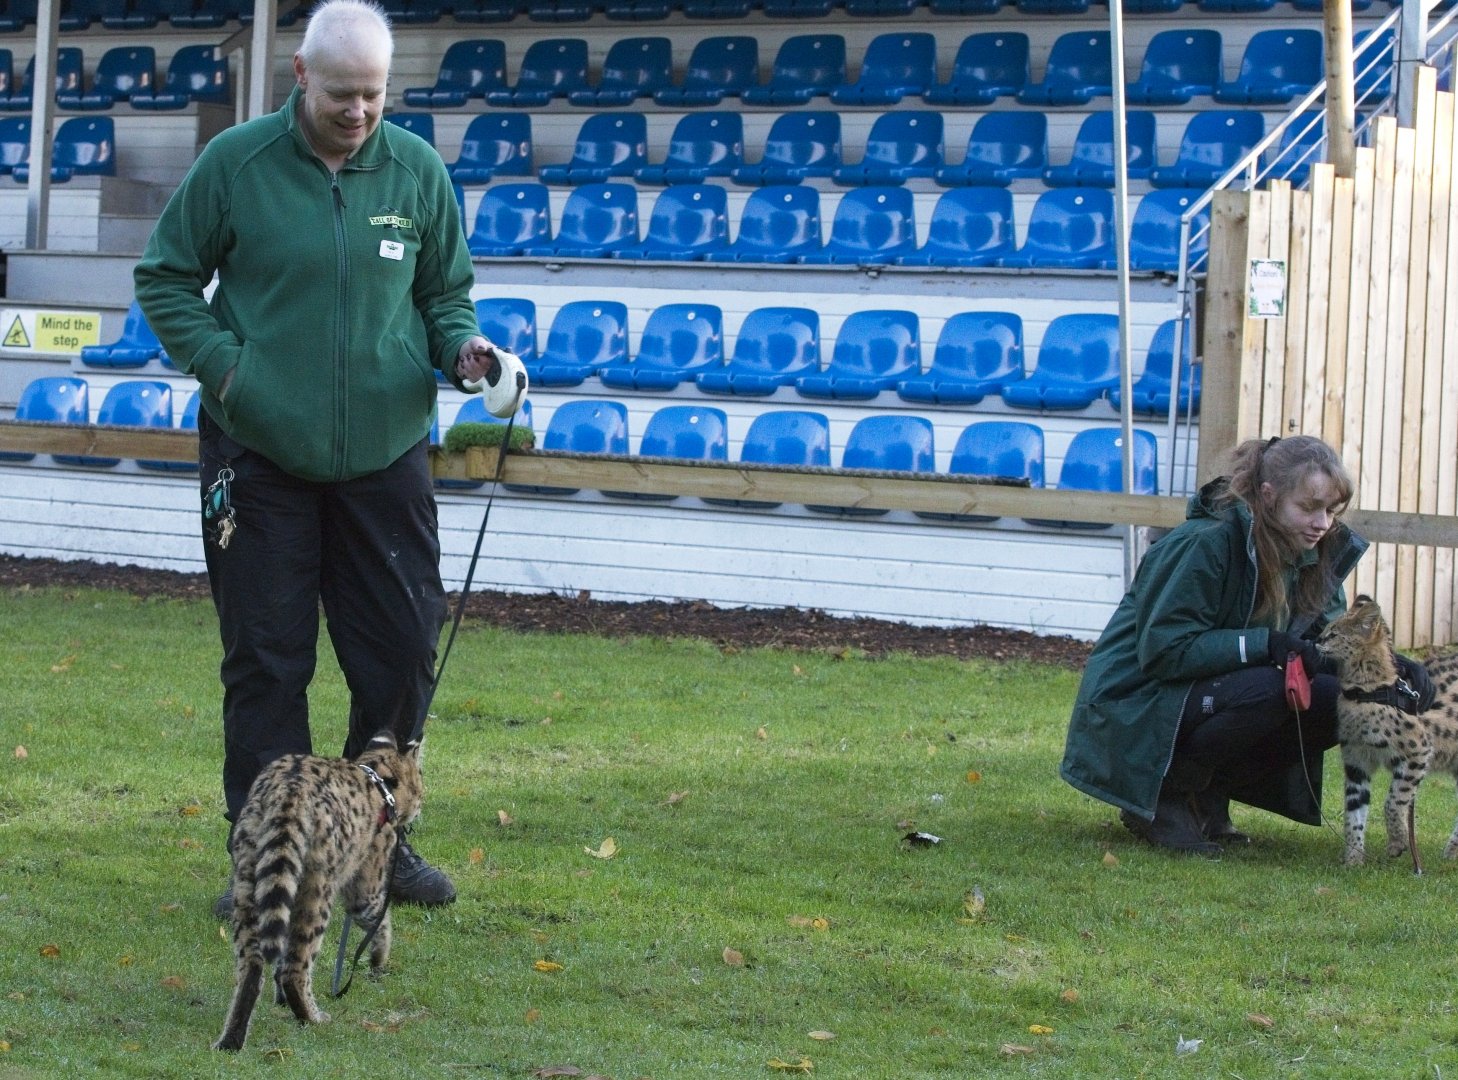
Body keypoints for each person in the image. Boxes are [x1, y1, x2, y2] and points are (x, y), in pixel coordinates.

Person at [134, 0, 514, 913]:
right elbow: (166, 277)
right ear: (301, 75)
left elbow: (443, 296)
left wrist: (462, 352)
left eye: (374, 97)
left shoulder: (418, 172)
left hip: (386, 455)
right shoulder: (238, 164)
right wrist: (229, 370)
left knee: (398, 655)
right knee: (267, 659)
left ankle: (380, 849)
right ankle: (266, 855)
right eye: (342, 93)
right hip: (258, 452)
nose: (358, 113)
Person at [1060, 435, 1434, 855]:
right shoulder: (1204, 543)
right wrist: (1265, 643)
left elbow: (1321, 647)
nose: (1323, 523)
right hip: (1135, 702)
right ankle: (1162, 799)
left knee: (1339, 700)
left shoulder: (1317, 552)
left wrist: (1392, 668)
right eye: (1309, 507)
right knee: (1270, 690)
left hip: (1208, 692)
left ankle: (1208, 793)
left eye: (1330, 510)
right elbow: (1164, 651)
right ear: (1269, 495)